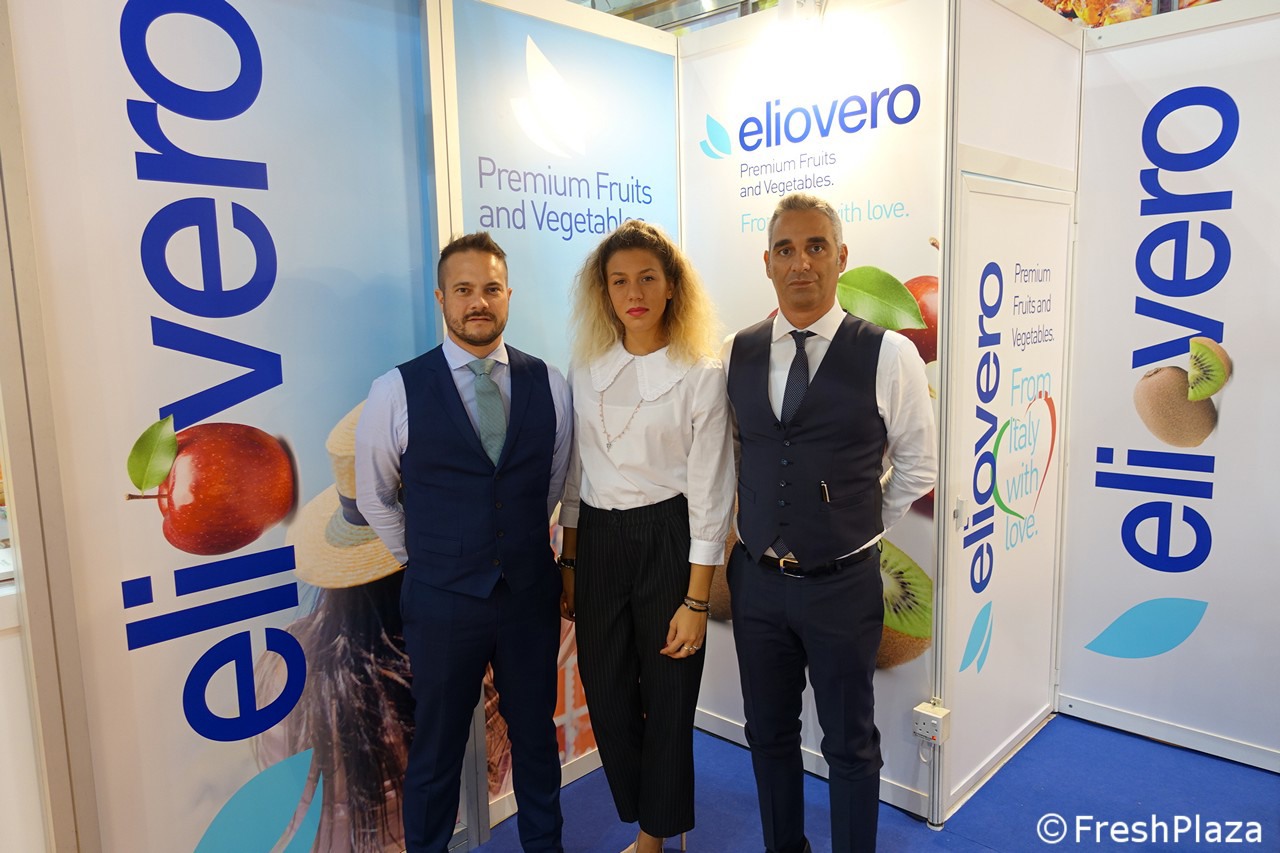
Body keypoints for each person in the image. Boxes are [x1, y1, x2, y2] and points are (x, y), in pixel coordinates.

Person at [723, 193, 937, 853]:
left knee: (849, 742)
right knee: (769, 734)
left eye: (816, 247)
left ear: (841, 257)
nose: (801, 263)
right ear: (767, 262)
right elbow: (732, 457)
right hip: (757, 583)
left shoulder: (889, 353)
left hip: (842, 587)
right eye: (785, 249)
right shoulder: (737, 351)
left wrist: (855, 524)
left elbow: (918, 466)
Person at [355, 232, 573, 853]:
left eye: (491, 288)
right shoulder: (395, 390)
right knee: (436, 750)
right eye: (464, 289)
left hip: (528, 595)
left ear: (508, 295)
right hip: (441, 601)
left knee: (536, 741)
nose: (479, 301)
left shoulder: (549, 382)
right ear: (442, 298)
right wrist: (426, 559)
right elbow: (375, 496)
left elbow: (552, 482)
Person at [557, 221, 735, 853]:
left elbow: (712, 493)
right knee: (605, 692)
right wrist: (570, 561)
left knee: (668, 698)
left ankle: (653, 838)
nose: (633, 293)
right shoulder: (586, 368)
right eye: (619, 281)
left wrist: (696, 601)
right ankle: (650, 810)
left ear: (671, 286)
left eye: (647, 278)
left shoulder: (700, 373)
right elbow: (575, 472)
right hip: (598, 539)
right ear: (604, 292)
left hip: (669, 536)